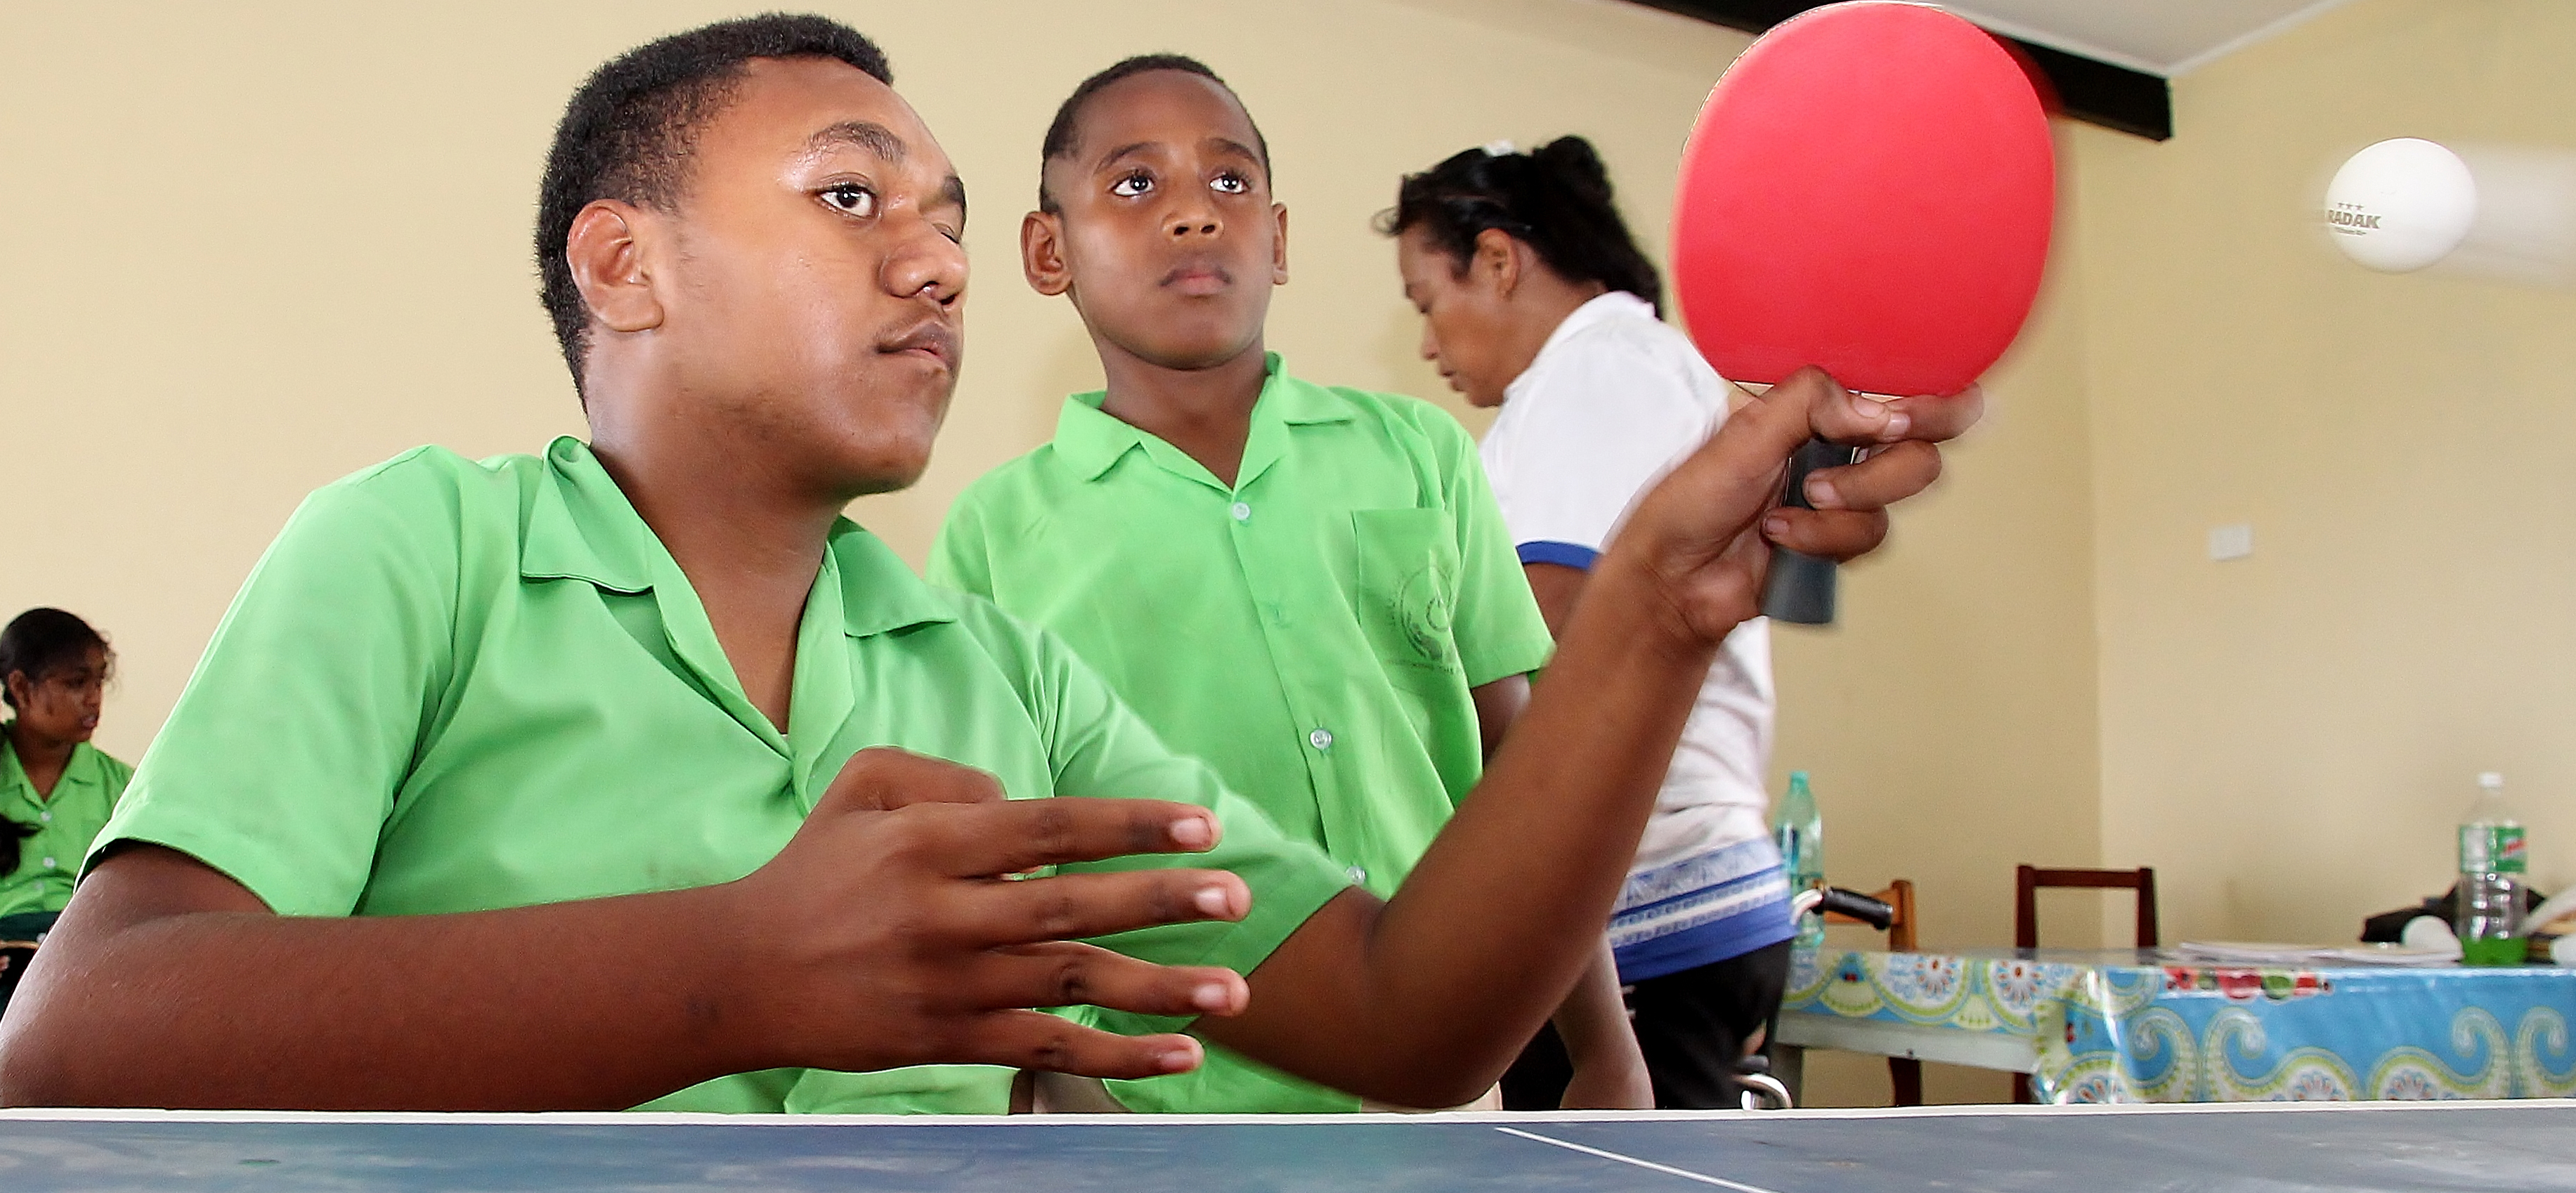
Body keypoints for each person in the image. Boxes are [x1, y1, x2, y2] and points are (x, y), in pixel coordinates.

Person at [0, 15, 1971, 1114]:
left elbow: (1403, 1012)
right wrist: (730, 970)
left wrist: (1647, 612)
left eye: (943, 218)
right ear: (628, 264)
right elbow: (81, 1036)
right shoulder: (416, 547)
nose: (936, 258)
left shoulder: (998, 679)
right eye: (851, 196)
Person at [928, 57, 1641, 1113]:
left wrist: (1604, 1051)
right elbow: (1003, 864)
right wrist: (1059, 1078)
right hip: (1162, 1109)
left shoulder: (1420, 455)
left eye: (1230, 184)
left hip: (1435, 1090)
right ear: (1048, 251)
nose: (1194, 218)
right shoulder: (996, 532)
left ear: (1280, 238)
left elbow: (1521, 774)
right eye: (1135, 185)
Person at [1381, 136, 1817, 1109]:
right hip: (1660, 906)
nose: (1426, 342)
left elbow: (1536, 637)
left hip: (1650, 912)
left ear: (1497, 261)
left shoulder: (1597, 373)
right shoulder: (1613, 376)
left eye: (1425, 302)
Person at [0, 610, 131, 958]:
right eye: (76, 683)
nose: (93, 699)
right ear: (21, 688)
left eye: (99, 682)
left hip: (85, 952)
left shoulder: (123, 787)